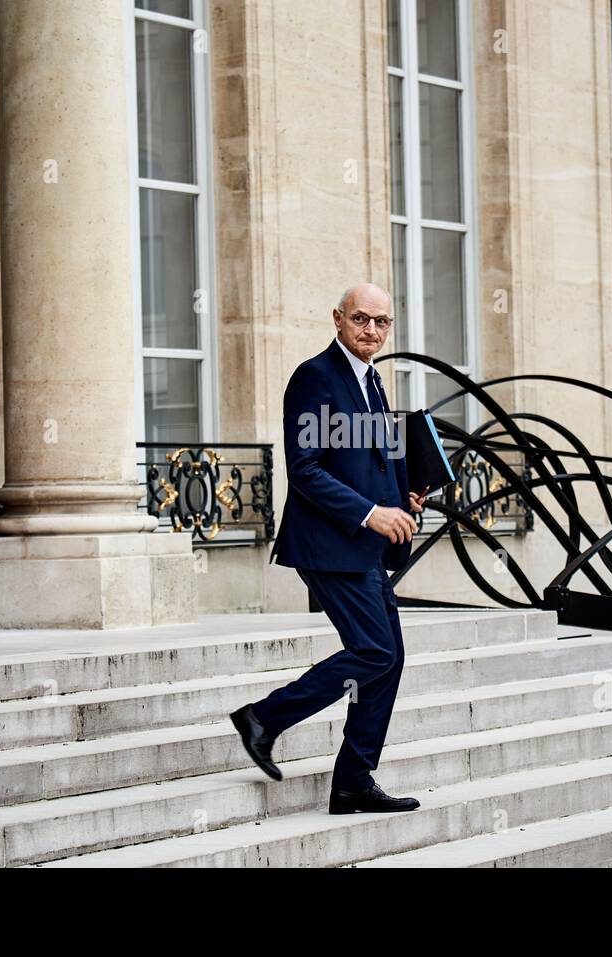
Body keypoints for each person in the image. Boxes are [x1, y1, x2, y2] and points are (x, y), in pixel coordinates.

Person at [230, 283, 429, 814]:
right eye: (361, 319)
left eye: (382, 322)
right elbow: (307, 468)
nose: (371, 331)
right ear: (338, 318)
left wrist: (402, 498)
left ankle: (352, 782)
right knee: (374, 651)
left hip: (364, 546)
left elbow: (373, 459)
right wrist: (371, 513)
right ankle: (263, 719)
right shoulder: (315, 376)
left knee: (388, 661)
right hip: (328, 544)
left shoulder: (373, 381)